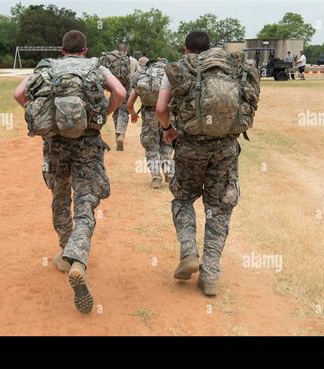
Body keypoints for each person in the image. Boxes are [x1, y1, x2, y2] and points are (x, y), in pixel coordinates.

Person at [14, 30, 126, 313]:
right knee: (86, 201)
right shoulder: (95, 67)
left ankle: (66, 252)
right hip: (88, 142)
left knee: (60, 195)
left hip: (55, 144)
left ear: (62, 50)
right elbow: (121, 93)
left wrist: (42, 115)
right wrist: (103, 116)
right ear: (84, 50)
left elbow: (18, 94)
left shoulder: (47, 67)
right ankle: (78, 258)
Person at [156, 31, 243, 297]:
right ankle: (211, 273)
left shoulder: (180, 69)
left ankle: (188, 253)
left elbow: (161, 108)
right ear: (209, 49)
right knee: (219, 207)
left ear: (186, 49)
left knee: (182, 199)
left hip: (190, 146)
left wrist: (169, 129)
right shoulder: (229, 69)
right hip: (226, 148)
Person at [127, 59, 173, 189]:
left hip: (149, 116)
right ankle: (168, 168)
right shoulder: (169, 76)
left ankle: (156, 177)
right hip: (167, 114)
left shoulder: (143, 77)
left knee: (151, 147)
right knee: (167, 143)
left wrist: (133, 114)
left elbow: (129, 104)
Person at [101, 43, 140, 151]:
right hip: (127, 88)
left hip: (114, 87)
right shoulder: (132, 60)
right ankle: (120, 133)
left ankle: (117, 134)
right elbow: (138, 74)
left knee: (116, 110)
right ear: (126, 50)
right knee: (123, 111)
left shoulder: (111, 58)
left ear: (116, 49)